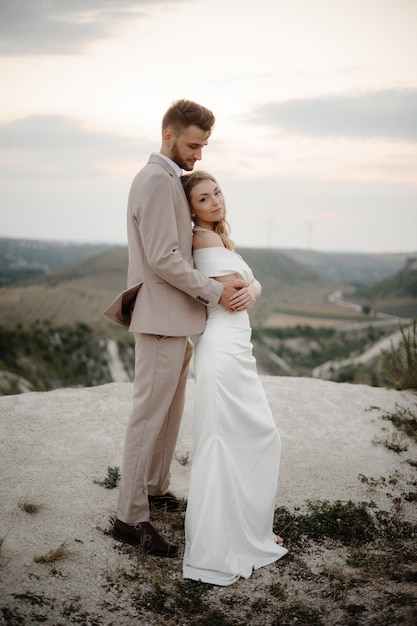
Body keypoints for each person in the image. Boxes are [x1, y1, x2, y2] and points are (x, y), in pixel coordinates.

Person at [103, 100, 247, 558]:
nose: (199, 155)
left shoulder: (169, 180)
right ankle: (130, 516)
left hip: (176, 318)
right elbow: (164, 258)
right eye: (193, 144)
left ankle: (155, 488)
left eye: (203, 146)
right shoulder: (153, 179)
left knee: (168, 414)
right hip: (162, 318)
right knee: (148, 416)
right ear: (169, 136)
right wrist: (214, 291)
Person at [181, 170, 288, 585]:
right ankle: (229, 541)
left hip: (234, 350)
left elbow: (250, 285)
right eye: (204, 199)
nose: (216, 202)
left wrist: (255, 288)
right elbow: (240, 290)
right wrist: (253, 287)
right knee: (244, 438)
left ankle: (248, 532)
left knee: (243, 438)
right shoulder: (203, 238)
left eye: (217, 193)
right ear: (191, 209)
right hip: (224, 350)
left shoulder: (219, 238)